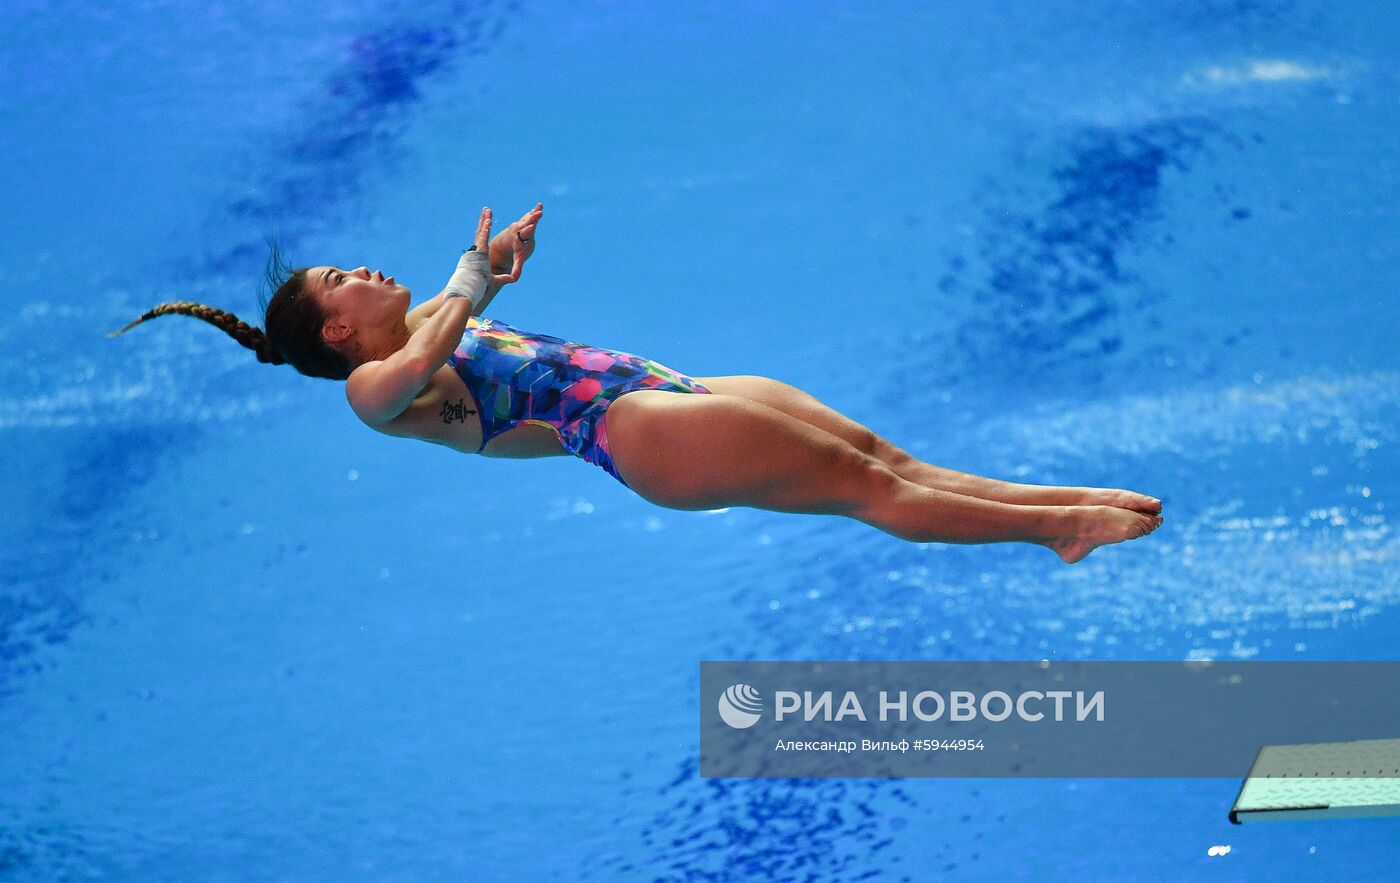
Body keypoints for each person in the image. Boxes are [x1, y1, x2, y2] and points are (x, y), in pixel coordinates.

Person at [111, 203, 1163, 563]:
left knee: (884, 460)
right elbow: (427, 355)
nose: (365, 269)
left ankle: (1057, 504)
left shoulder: (430, 312)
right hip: (633, 430)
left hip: (671, 385)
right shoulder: (370, 389)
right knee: (868, 491)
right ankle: (1054, 531)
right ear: (336, 329)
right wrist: (474, 280)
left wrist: (494, 267)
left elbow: (449, 306)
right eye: (345, 278)